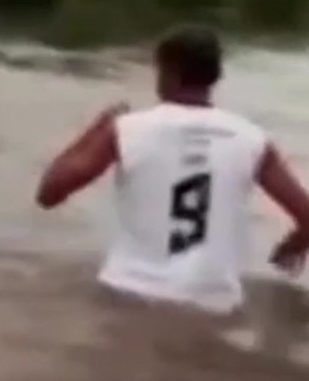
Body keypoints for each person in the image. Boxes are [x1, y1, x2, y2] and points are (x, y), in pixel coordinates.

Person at [35, 24, 309, 315]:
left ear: (168, 70)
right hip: (214, 301)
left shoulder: (126, 129)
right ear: (216, 76)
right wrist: (293, 245)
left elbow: (49, 193)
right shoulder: (252, 139)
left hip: (130, 292)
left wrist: (96, 129)